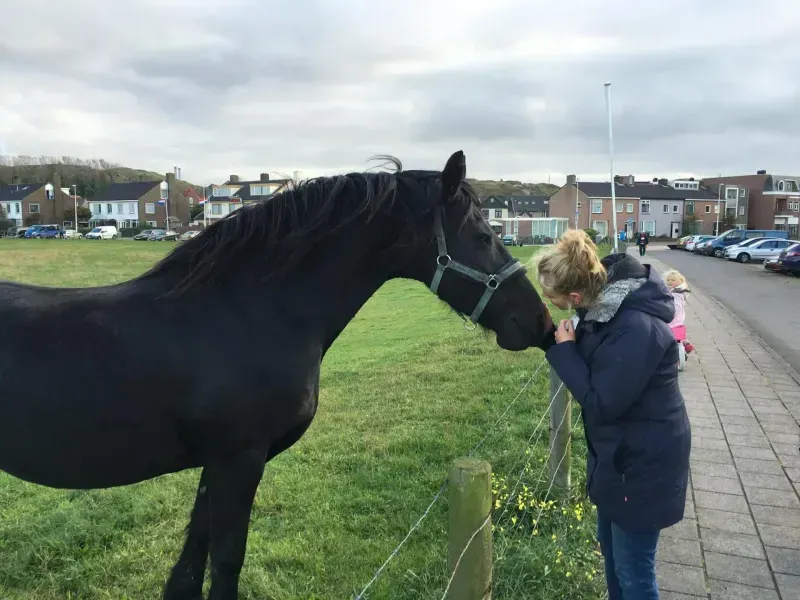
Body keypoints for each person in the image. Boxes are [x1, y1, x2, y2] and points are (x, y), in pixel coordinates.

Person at [535, 230, 691, 600]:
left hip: (643, 465)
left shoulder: (636, 328)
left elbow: (602, 401)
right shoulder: (602, 310)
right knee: (613, 557)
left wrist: (565, 351)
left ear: (574, 296)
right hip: (620, 459)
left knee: (635, 573)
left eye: (550, 297)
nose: (548, 302)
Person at [663, 269, 695, 371]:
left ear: (680, 281)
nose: (670, 281)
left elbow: (676, 307)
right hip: (678, 321)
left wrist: (668, 312)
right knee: (677, 338)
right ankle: (685, 346)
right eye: (668, 280)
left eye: (673, 280)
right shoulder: (678, 292)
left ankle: (678, 352)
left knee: (668, 338)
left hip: (672, 320)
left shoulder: (676, 294)